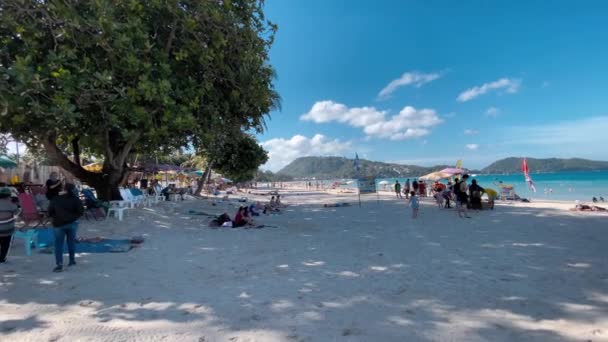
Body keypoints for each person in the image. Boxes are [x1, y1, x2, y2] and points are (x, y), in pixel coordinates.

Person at [48, 183, 84, 272]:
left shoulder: (56, 198)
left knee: (58, 244)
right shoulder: (75, 199)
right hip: (72, 223)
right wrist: (73, 217)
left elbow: (50, 211)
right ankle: (72, 260)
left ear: (64, 190)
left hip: (58, 224)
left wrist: (56, 217)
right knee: (71, 242)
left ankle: (59, 264)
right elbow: (81, 211)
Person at [0, 188, 18, 263]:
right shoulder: (12, 204)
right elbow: (16, 212)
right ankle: (2, 258)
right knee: (6, 244)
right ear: (9, 196)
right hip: (7, 229)